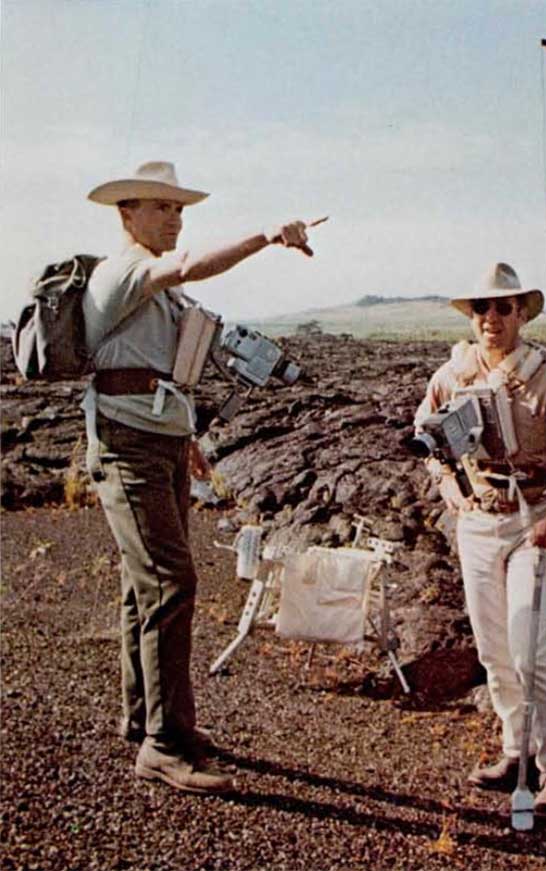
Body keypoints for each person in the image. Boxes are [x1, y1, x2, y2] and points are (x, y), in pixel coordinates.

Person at [83, 161, 315, 794]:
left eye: (179, 208)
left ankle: (146, 722)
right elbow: (188, 265)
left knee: (146, 588)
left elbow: (160, 369)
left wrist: (185, 438)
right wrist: (267, 235)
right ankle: (165, 744)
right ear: (126, 214)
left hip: (158, 443)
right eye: (161, 207)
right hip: (126, 449)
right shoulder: (126, 270)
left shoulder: (158, 291)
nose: (175, 217)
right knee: (169, 583)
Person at [414, 262, 546, 821]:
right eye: (480, 308)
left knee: (528, 648)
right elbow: (426, 435)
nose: (490, 317)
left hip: (534, 521)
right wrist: (447, 484)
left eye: (501, 307)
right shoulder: (453, 373)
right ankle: (517, 752)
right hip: (478, 519)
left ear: (521, 312)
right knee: (493, 648)